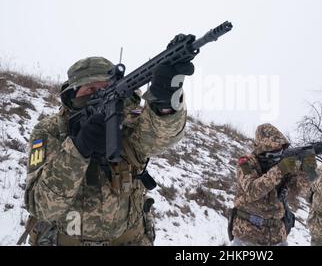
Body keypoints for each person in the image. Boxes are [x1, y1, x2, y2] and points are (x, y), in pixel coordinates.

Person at [19, 55, 193, 245]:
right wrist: (78, 149)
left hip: (129, 239)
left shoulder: (128, 120)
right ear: (73, 95)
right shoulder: (50, 130)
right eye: (90, 89)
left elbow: (161, 137)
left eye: (105, 89)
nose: (97, 95)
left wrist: (165, 105)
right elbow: (42, 206)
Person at [229, 123, 316, 246]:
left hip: (276, 235)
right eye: (274, 151)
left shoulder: (283, 165)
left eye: (280, 150)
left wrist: (307, 171)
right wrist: (281, 168)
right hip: (247, 234)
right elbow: (252, 190)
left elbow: (299, 190)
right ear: (263, 148)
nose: (278, 155)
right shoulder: (246, 163)